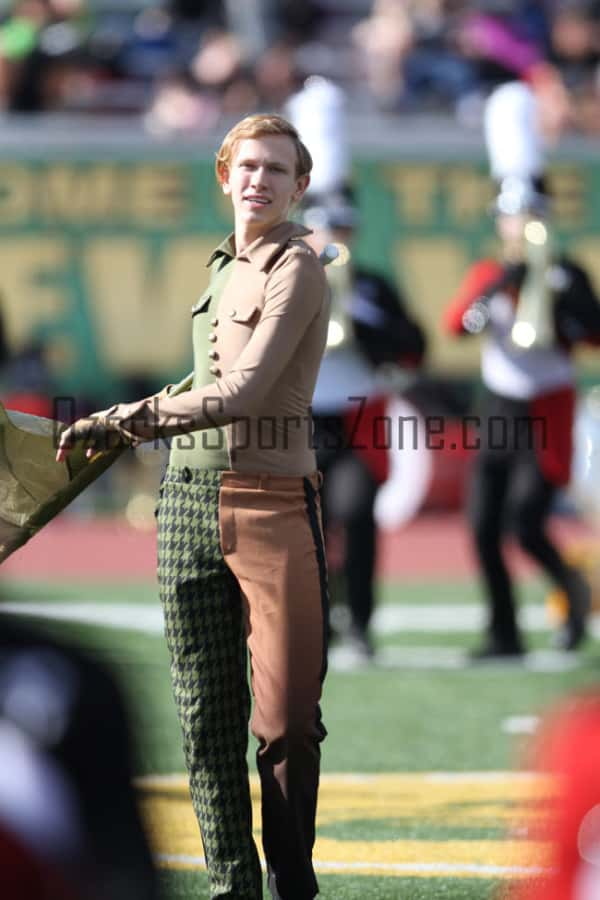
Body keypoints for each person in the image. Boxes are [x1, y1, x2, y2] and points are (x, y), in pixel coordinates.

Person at [56, 114, 330, 900]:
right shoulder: (219, 268)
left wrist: (127, 420)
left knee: (285, 725)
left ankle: (292, 884)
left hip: (273, 508)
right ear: (224, 175)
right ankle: (230, 886)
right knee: (205, 716)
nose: (259, 181)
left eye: (277, 170)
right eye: (247, 166)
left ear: (299, 185)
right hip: (184, 504)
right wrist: (121, 419)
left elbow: (243, 395)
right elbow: (196, 384)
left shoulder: (299, 265)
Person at [443, 175, 600, 659]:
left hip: (548, 407)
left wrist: (559, 298)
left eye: (530, 214)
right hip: (500, 406)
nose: (521, 225)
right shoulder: (491, 272)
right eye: (512, 216)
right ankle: (503, 630)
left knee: (527, 520)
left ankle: (573, 590)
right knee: (483, 524)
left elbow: (594, 334)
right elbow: (457, 326)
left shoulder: (567, 272)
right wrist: (501, 284)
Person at [303, 191, 426, 662]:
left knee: (355, 515)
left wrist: (358, 316)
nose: (335, 236)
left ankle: (360, 620)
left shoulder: (373, 286)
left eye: (343, 227)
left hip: (359, 417)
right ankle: (317, 617)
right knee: (308, 525)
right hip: (302, 419)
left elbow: (414, 347)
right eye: (324, 226)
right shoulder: (285, 281)